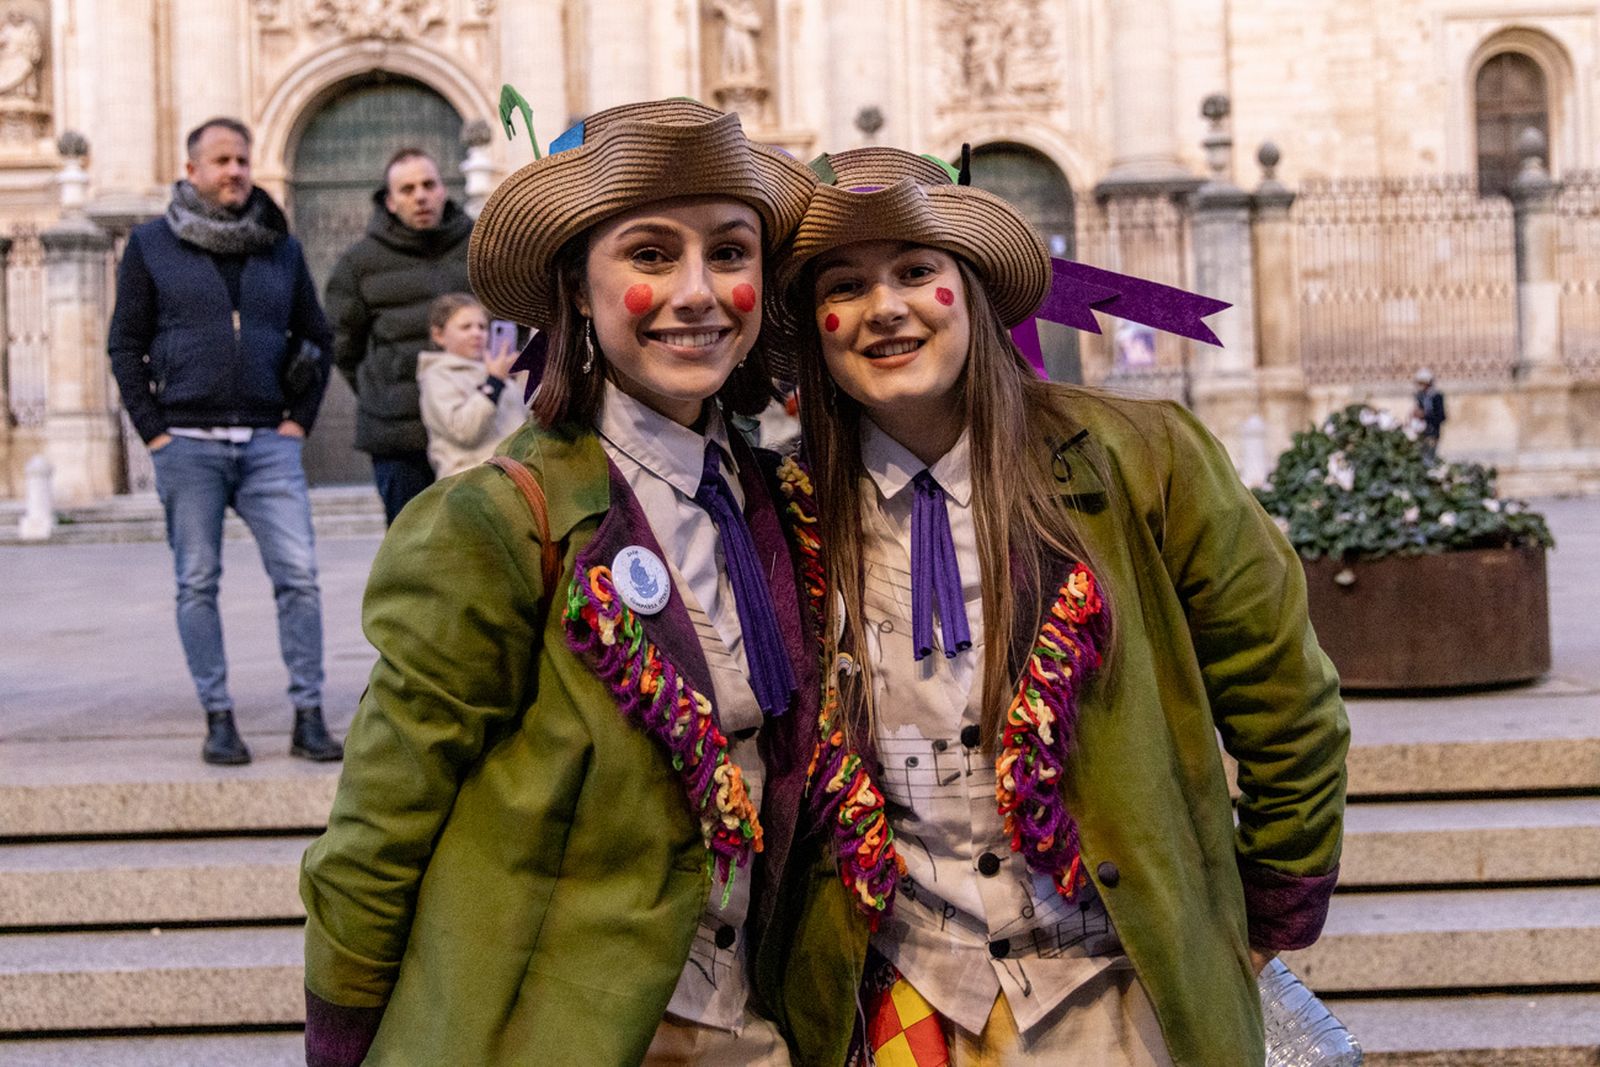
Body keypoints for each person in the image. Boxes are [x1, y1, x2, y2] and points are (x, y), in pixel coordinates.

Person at [758, 148, 1350, 1065]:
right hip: (905, 1003)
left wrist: (1259, 918)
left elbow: (1288, 706)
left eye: (917, 272)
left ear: (976, 293)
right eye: (846, 285)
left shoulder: (1146, 458)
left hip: (1112, 1001)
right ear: (817, 328)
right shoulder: (789, 511)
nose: (885, 308)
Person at [299, 99, 820, 1066]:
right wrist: (341, 1045)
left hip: (757, 1027)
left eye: (732, 253)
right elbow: (375, 837)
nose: (698, 292)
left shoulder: (783, 506)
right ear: (579, 288)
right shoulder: (495, 522)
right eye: (652, 254)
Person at [106, 117, 343, 766]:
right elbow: (125, 344)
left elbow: (317, 338)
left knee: (299, 577)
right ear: (192, 172)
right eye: (220, 161)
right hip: (187, 444)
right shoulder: (151, 245)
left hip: (270, 442)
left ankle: (309, 714)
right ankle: (218, 716)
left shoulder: (280, 246)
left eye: (242, 159)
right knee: (197, 581)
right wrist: (154, 433)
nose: (235, 170)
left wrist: (297, 420)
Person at [325, 147, 473, 524]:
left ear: (444, 190)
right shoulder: (358, 264)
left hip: (476, 430)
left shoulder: (480, 246)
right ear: (390, 202)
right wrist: (386, 392)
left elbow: (513, 318)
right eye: (407, 189)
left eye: (428, 185)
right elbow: (344, 345)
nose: (420, 196)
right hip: (400, 439)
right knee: (411, 556)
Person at [415, 293, 526, 478]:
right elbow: (465, 431)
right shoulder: (438, 376)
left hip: (512, 477)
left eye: (482, 327)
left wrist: (522, 375)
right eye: (466, 327)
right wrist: (494, 383)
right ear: (439, 335)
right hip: (469, 483)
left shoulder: (496, 371)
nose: (477, 333)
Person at [1413, 367, 1446, 464]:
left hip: (1432, 432)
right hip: (1421, 432)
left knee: (1429, 459)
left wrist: (1425, 415)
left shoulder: (1436, 396)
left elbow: (1441, 416)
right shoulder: (1420, 396)